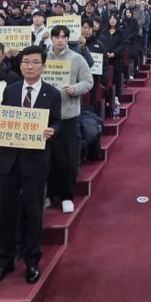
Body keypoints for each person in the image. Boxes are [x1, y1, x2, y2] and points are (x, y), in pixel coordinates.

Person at [0, 45, 61, 285]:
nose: (30, 66)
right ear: (20, 65)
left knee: (33, 212)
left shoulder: (52, 93)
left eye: (35, 62)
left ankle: (32, 261)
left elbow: (58, 122)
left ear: (43, 66)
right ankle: (5, 261)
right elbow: (3, 119)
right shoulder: (10, 90)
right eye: (26, 62)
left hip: (35, 161)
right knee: (7, 212)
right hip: (9, 159)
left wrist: (52, 130)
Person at [46, 25, 93, 213]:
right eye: (57, 37)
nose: (60, 40)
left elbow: (88, 81)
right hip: (46, 115)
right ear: (51, 38)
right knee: (47, 158)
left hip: (68, 115)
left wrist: (75, 89)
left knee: (67, 158)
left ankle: (67, 196)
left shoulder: (77, 58)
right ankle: (49, 195)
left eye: (63, 37)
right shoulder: (43, 58)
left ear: (67, 39)